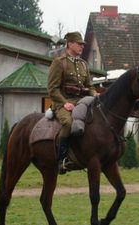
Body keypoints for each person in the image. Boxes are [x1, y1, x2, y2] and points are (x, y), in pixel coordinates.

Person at [47, 31, 96, 174]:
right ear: (70, 44)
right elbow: (52, 89)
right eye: (79, 44)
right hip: (62, 101)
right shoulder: (59, 62)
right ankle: (61, 160)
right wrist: (64, 103)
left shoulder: (83, 64)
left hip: (81, 101)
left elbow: (90, 86)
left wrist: (94, 94)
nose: (82, 46)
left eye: (82, 44)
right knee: (68, 123)